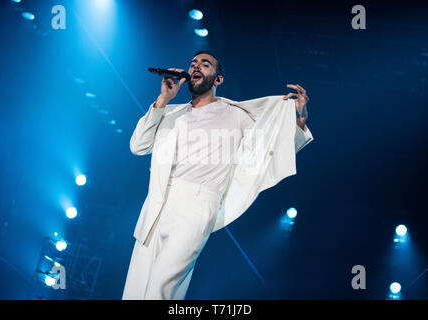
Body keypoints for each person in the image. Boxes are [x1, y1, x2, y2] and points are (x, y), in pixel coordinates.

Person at [122, 51, 313, 300]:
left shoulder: (236, 115)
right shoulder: (170, 112)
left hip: (197, 205)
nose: (196, 66)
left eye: (205, 64)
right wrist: (162, 99)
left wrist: (297, 117)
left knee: (161, 285)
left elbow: (272, 146)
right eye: (192, 64)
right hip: (156, 205)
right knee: (138, 290)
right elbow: (138, 146)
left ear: (218, 79)